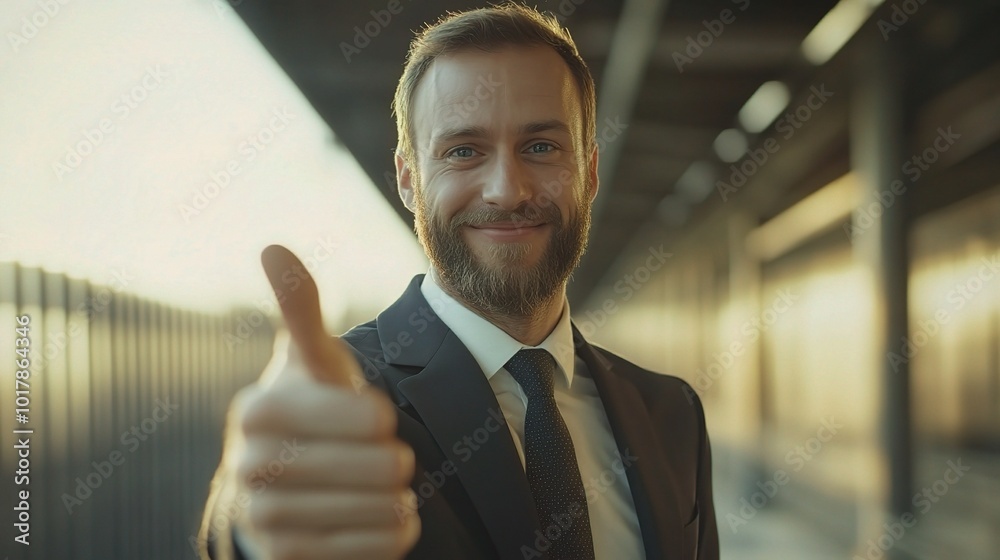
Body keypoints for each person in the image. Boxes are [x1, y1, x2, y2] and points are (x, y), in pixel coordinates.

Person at [199, 3, 719, 559]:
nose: (506, 191)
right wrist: (250, 525)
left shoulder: (671, 413)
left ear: (589, 171)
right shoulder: (345, 401)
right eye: (463, 151)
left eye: (540, 147)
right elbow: (259, 516)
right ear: (408, 180)